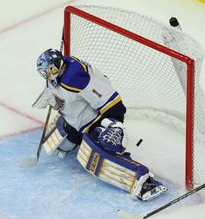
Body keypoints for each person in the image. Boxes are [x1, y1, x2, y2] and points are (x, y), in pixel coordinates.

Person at [33, 49, 166, 200]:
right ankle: (91, 133)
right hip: (77, 121)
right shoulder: (63, 69)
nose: (47, 77)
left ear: (55, 66)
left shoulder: (74, 79)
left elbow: (113, 103)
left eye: (48, 72)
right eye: (44, 73)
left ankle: (145, 182)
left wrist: (111, 124)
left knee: (99, 151)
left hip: (95, 122)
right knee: (63, 145)